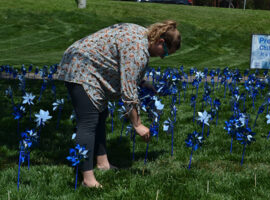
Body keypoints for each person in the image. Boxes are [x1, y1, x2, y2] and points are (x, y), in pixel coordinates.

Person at [56, 20, 181, 188]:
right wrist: (138, 125)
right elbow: (128, 92)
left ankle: (102, 163)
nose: (161, 57)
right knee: (88, 122)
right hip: (80, 67)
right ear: (160, 41)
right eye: (164, 52)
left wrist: (142, 82)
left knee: (101, 115)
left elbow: (126, 66)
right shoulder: (138, 49)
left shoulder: (142, 34)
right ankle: (87, 178)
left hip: (85, 63)